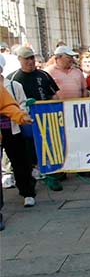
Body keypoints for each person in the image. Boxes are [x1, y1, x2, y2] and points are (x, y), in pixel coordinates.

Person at [7, 47, 61, 191]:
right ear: (19, 59)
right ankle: (31, 176)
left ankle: (53, 174)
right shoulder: (13, 79)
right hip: (25, 120)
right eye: (26, 59)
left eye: (32, 58)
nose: (30, 61)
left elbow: (54, 96)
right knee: (29, 149)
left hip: (46, 118)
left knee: (50, 146)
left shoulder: (43, 75)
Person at [0, 55, 35, 208]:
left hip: (12, 129)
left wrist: (21, 116)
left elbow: (10, 106)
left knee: (20, 162)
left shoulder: (11, 85)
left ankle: (27, 192)